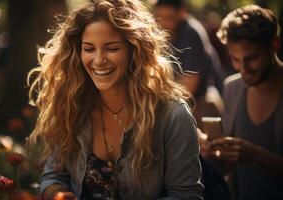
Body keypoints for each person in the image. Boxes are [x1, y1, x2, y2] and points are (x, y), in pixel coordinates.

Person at [27, 0, 203, 199]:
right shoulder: (72, 106)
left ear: (134, 50)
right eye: (89, 49)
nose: (99, 60)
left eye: (111, 48)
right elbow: (53, 176)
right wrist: (57, 194)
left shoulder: (173, 115)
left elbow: (187, 195)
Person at [202, 5, 283, 200]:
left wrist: (256, 155)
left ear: (274, 44)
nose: (244, 69)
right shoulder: (232, 87)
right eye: (235, 59)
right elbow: (228, 165)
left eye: (252, 58)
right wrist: (212, 151)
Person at [153, 0, 224, 125]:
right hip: (178, 100)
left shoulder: (191, 33)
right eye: (160, 17)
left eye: (169, 17)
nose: (163, 23)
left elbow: (190, 85)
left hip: (200, 102)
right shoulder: (167, 33)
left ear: (182, 12)